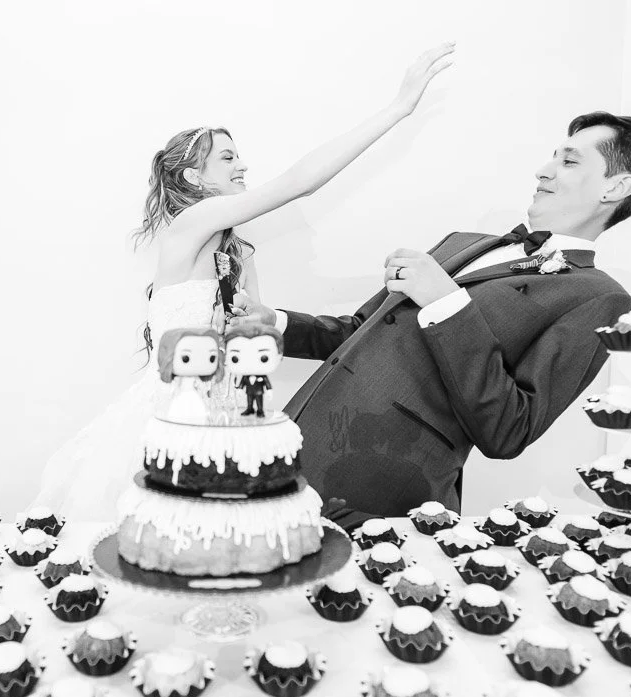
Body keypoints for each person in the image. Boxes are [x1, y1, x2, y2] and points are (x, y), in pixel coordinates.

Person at [31, 44, 456, 522]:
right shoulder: (191, 223)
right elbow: (301, 181)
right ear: (194, 176)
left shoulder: (234, 255)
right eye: (227, 158)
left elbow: (253, 341)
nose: (243, 167)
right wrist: (398, 108)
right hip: (179, 422)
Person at [229, 112, 631, 529]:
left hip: (376, 488)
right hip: (286, 445)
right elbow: (357, 332)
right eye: (552, 156)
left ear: (615, 188)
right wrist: (278, 322)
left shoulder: (600, 298)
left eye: (570, 161)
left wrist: (447, 305)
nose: (543, 170)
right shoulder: (461, 243)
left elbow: (509, 429)